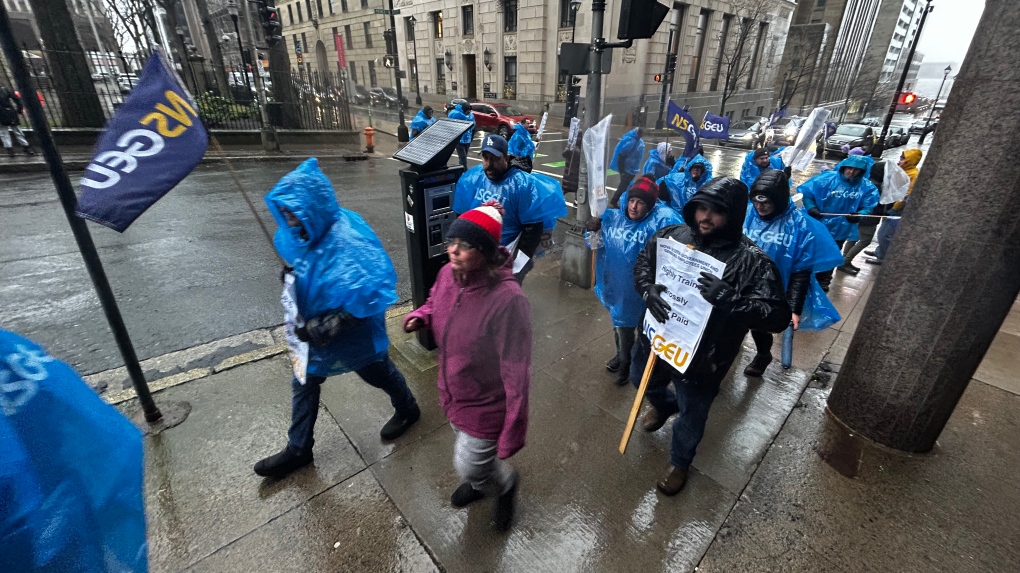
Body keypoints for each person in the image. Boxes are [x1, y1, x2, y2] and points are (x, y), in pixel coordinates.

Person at [255, 159, 420, 479]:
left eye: (293, 212)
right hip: (312, 334)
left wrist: (317, 329)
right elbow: (306, 266)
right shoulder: (305, 233)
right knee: (303, 381)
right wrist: (292, 280)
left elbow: (366, 301)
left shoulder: (348, 242)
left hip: (354, 336)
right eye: (285, 212)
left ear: (311, 208)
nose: (288, 220)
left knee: (378, 373)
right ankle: (299, 448)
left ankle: (408, 408)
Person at [632, 177, 791, 495]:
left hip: (705, 358)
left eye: (716, 211)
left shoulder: (753, 263)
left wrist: (733, 301)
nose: (705, 217)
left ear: (733, 215)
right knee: (641, 382)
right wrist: (648, 290)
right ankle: (664, 405)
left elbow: (777, 317)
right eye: (701, 208)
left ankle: (679, 462)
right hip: (657, 341)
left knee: (692, 414)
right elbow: (644, 264)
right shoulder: (671, 235)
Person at [403, 204, 532, 532]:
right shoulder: (448, 273)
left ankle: (504, 485)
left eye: (464, 246)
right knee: (466, 449)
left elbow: (517, 370)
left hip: (487, 404)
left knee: (470, 464)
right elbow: (436, 301)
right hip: (452, 390)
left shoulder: (508, 300)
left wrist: (514, 427)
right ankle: (480, 484)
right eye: (451, 243)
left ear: (486, 253)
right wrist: (423, 315)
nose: (453, 251)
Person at [742, 170, 843, 375]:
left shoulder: (800, 226)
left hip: (773, 288)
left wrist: (793, 308)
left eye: (766, 203)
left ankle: (763, 354)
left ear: (778, 200)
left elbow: (801, 271)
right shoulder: (745, 215)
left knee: (760, 327)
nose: (760, 207)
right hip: (742, 281)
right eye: (756, 202)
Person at [585, 177, 682, 385]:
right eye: (631, 201)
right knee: (620, 325)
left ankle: (627, 361)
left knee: (637, 329)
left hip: (643, 289)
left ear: (650, 206)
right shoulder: (613, 218)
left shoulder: (662, 221)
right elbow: (595, 244)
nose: (634, 207)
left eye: (641, 203)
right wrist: (593, 228)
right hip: (617, 285)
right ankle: (623, 357)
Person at [452, 134, 565, 283]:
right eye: (485, 158)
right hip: (477, 254)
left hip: (507, 256)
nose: (489, 164)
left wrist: (515, 267)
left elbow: (532, 232)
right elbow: (461, 217)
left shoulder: (522, 185)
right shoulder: (473, 178)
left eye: (495, 158)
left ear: (506, 158)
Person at [798, 155, 880, 291]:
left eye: (856, 170)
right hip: (816, 225)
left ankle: (823, 282)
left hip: (840, 229)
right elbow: (808, 193)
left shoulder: (867, 187)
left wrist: (859, 215)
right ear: (843, 167)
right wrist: (811, 207)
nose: (851, 172)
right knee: (809, 252)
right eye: (849, 168)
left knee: (832, 254)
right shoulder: (826, 178)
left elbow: (868, 206)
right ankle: (804, 279)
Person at [867, 148, 922, 265]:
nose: (900, 160)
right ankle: (880, 252)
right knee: (884, 231)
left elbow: (906, 194)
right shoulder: (903, 171)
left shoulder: (913, 175)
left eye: (903, 158)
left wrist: (895, 208)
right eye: (900, 158)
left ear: (909, 160)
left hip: (896, 209)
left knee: (885, 234)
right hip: (891, 205)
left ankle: (882, 257)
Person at [837, 160, 886, 275]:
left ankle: (844, 260)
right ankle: (845, 261)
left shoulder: (867, 182)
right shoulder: (876, 187)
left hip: (859, 216)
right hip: (869, 218)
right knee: (864, 240)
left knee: (853, 238)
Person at [609, 127, 645, 207]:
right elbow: (621, 155)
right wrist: (622, 170)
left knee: (625, 186)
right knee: (622, 187)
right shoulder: (632, 141)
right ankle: (614, 201)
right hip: (627, 170)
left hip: (631, 169)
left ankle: (622, 202)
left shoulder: (637, 141)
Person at [0, 85, 34, 157]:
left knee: (3, 132)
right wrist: (19, 108)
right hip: (10, 112)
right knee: (17, 131)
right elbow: (16, 99)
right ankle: (26, 147)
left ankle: (10, 150)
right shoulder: (4, 89)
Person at [447, 100, 476, 168]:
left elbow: (473, 127)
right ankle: (464, 172)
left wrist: (471, 137)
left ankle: (461, 170)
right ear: (464, 110)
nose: (468, 112)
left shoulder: (470, 115)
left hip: (467, 139)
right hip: (459, 140)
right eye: (467, 110)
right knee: (463, 159)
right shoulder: (456, 114)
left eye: (469, 110)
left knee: (463, 157)